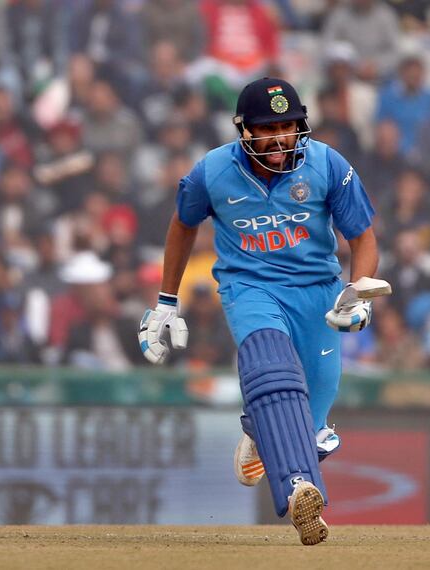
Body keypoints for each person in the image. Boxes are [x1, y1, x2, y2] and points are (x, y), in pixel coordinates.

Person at [138, 78, 382, 545]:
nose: (280, 138)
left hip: (318, 292)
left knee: (310, 425)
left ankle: (259, 430)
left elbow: (363, 238)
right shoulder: (212, 172)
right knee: (273, 367)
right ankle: (298, 491)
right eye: (267, 129)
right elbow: (183, 225)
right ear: (243, 131)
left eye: (288, 126)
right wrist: (166, 303)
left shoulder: (328, 164)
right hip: (250, 286)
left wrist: (357, 293)